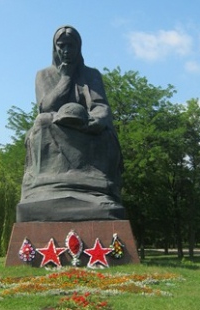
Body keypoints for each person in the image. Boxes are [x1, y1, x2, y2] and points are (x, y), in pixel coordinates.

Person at [17, 25, 125, 222]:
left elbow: (102, 107)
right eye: (62, 45)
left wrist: (94, 121)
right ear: (55, 47)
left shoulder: (92, 75)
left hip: (87, 126)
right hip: (55, 124)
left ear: (79, 47)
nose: (66, 51)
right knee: (42, 122)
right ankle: (46, 184)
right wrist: (66, 78)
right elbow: (46, 106)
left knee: (107, 133)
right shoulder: (44, 75)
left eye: (71, 46)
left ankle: (96, 185)